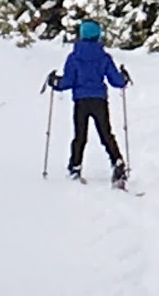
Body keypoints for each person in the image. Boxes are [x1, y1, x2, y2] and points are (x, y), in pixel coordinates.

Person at [47, 19, 129, 184]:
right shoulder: (104, 57)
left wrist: (55, 82)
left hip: (81, 101)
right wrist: (124, 77)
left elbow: (67, 82)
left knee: (80, 136)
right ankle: (117, 161)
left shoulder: (74, 57)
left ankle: (75, 167)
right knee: (106, 134)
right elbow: (116, 81)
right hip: (99, 100)